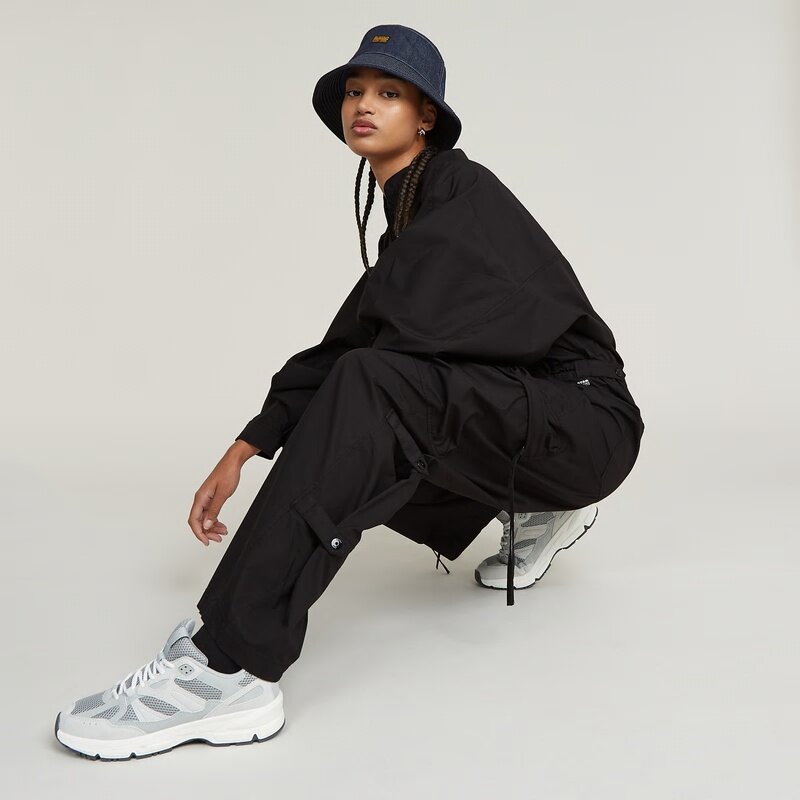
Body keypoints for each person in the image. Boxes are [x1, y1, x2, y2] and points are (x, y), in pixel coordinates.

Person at [54, 24, 645, 761]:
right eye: (354, 91)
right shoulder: (410, 215)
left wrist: (311, 416)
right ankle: (533, 506)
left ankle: (230, 665)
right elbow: (354, 341)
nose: (363, 104)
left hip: (585, 424)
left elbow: (384, 349)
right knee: (358, 392)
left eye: (389, 93)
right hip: (528, 423)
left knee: (369, 392)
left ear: (425, 117)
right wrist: (248, 445)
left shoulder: (463, 192)